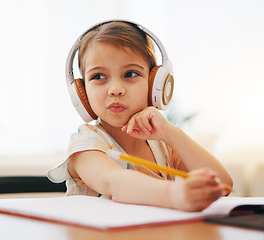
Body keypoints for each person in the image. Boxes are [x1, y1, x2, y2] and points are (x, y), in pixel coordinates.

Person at [48, 20, 232, 212]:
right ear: (81, 93)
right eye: (99, 77)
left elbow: (223, 184)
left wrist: (170, 132)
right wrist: (174, 194)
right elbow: (115, 183)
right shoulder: (85, 143)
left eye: (130, 73)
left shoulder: (163, 144)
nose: (116, 90)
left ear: (154, 84)